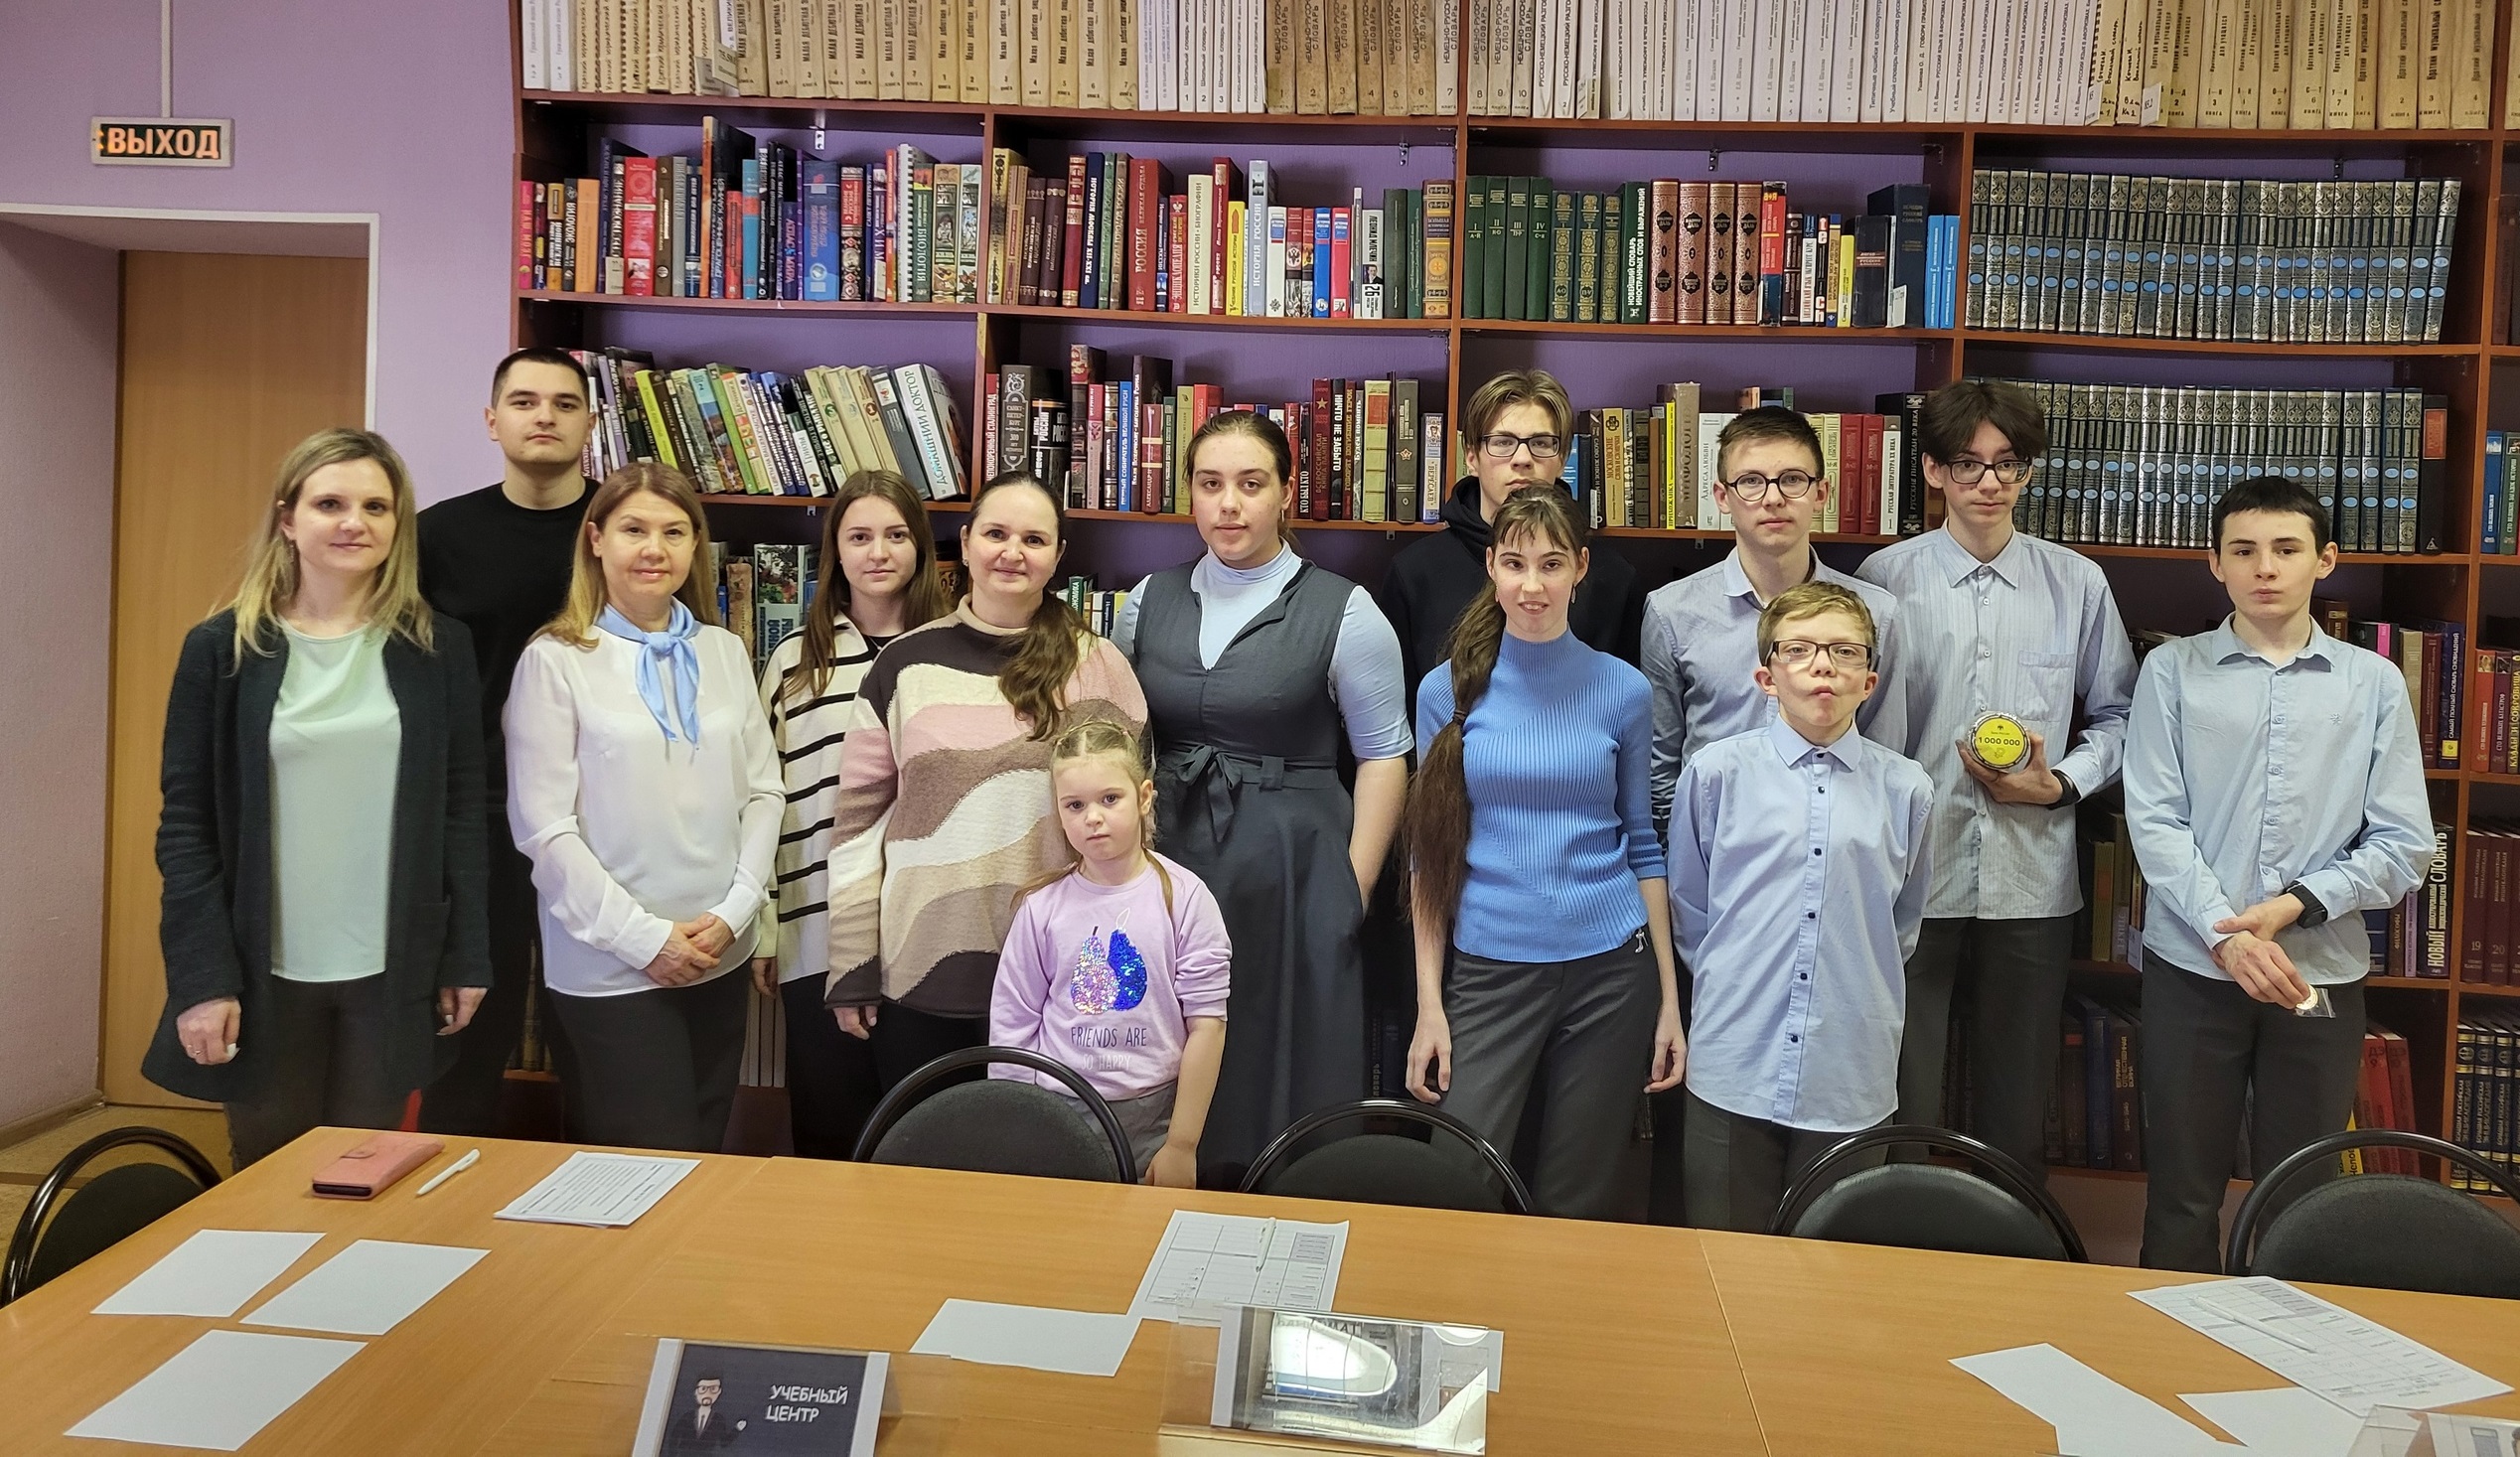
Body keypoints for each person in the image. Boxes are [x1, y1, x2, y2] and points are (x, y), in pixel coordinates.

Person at [147, 428, 492, 1168]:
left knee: (364, 1177)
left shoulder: (438, 648)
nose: (353, 522)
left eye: (376, 506)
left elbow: (463, 812)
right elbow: (186, 827)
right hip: (264, 971)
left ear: (397, 524)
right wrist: (202, 978)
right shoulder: (221, 650)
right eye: (330, 503)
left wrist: (467, 954)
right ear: (287, 519)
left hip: (392, 969)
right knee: (271, 1178)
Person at [2125, 476, 2431, 1272]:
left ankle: (2283, 1339)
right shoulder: (2171, 670)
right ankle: (2162, 1336)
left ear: (2323, 560)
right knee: (2180, 1190)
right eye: (2243, 550)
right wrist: (2227, 938)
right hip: (2193, 967)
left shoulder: (2371, 682)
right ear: (2215, 564)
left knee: (2301, 1191)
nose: (2264, 568)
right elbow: (2153, 821)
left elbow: (2404, 842)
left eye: (2286, 549)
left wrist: (2295, 905)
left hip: (2315, 971)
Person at [1112, 410, 1410, 1182]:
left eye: (1250, 484)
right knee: (1174, 1033)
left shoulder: (1346, 610)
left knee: (1282, 1054)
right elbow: (1117, 739)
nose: (1229, 504)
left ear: (1285, 492)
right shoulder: (1145, 601)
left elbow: (1383, 757)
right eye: (1210, 484)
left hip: (1296, 869)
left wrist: (1351, 887)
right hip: (1173, 858)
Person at [1855, 378, 2136, 1186]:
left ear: (2026, 470)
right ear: (1932, 470)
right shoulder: (1882, 579)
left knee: (2018, 1104)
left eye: (2006, 463)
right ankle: (1892, 1226)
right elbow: (1858, 727)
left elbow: (2121, 714)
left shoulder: (2075, 583)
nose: (1988, 482)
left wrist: (2062, 785)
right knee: (1900, 1092)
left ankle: (2011, 1238)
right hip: (1912, 872)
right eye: (1967, 464)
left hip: (2030, 876)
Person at [1401, 487, 1685, 1220]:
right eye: (1515, 563)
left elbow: (1643, 843)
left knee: (1580, 1197)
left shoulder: (1623, 690)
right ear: (1491, 567)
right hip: (1490, 966)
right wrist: (1430, 1005)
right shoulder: (1444, 692)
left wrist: (1667, 1001)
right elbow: (1429, 862)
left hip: (1611, 971)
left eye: (1551, 563)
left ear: (1580, 568)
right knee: (1456, 1181)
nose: (1532, 585)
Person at [824, 472, 1147, 1088]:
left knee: (1044, 1145)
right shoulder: (903, 664)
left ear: (1058, 556)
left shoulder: (1100, 666)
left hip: (1060, 974)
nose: (1012, 552)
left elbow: (1136, 827)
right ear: (967, 542)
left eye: (1034, 539)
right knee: (926, 1144)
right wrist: (851, 960)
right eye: (996, 534)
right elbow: (858, 826)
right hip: (919, 970)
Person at [504, 464, 784, 1153]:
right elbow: (544, 830)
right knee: (643, 1165)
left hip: (718, 952)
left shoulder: (723, 651)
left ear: (695, 547)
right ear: (596, 539)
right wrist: (644, 940)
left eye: (673, 532)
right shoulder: (555, 660)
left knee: (701, 1157)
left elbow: (762, 792)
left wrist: (735, 913)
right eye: (634, 529)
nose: (654, 548)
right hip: (611, 965)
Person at [1669, 582, 1933, 1232]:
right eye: (1800, 649)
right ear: (1766, 676)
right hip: (1735, 1058)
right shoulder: (1715, 774)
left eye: (1845, 651)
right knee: (1723, 1260)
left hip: (1849, 1067)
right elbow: (1691, 908)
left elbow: (1901, 924)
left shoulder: (1907, 789)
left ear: (1869, 681)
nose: (1823, 666)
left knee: (1831, 1265)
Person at [415, 346, 596, 1136]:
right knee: (468, 1024)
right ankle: (453, 1188)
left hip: (601, 818)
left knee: (592, 1028)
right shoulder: (435, 536)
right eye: (524, 402)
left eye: (564, 403)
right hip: (481, 815)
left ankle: (603, 1187)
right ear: (492, 422)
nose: (544, 416)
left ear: (591, 423)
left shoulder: (624, 530)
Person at [752, 470, 953, 1158]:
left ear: (921, 547)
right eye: (859, 537)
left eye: (896, 535)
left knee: (924, 1133)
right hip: (816, 928)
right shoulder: (794, 662)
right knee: (831, 1127)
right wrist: (766, 927)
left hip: (924, 935)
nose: (878, 552)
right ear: (834, 551)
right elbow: (766, 800)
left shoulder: (951, 653)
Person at [1641, 406, 1904, 837]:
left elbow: (1884, 756)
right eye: (1751, 481)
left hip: (1836, 845)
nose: (1773, 498)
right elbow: (1662, 764)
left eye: (1792, 480)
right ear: (1721, 497)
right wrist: (1685, 850)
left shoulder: (1876, 612)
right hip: (1713, 849)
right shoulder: (1671, 612)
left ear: (1822, 493)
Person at [989, 718, 1231, 1187]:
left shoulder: (1186, 898)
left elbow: (1207, 1026)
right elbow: (1012, 1026)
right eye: (1075, 805)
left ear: (1144, 798)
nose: (1092, 817)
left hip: (1155, 1116)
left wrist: (1181, 1145)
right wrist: (1016, 1127)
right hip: (1056, 1112)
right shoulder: (1041, 907)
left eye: (1109, 799)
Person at [1377, 368, 1648, 713]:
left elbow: (1625, 710)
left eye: (1541, 443)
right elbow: (1397, 715)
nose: (1522, 459)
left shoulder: (1614, 578)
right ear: (1471, 457)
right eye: (1503, 442)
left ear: (1562, 459)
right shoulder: (1414, 573)